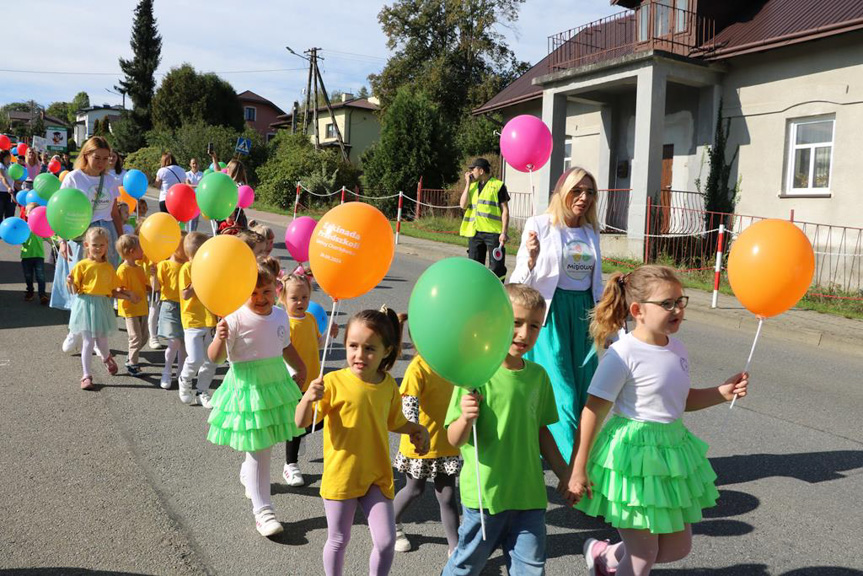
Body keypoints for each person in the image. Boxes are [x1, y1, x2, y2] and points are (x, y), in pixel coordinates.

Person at [563, 265, 749, 576]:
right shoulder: (622, 355)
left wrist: (721, 392)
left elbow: (680, 400)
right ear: (638, 310)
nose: (677, 309)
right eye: (667, 303)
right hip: (632, 457)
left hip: (669, 454)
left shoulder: (677, 348)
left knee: (677, 548)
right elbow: (592, 411)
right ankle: (615, 560)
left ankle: (606, 556)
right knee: (643, 555)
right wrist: (577, 469)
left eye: (680, 300)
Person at [443, 283, 567, 576]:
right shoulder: (474, 373)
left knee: (531, 569)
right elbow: (453, 440)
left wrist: (565, 472)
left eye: (535, 326)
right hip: (486, 497)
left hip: (529, 496)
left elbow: (542, 431)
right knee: (466, 566)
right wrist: (465, 419)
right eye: (516, 323)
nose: (525, 334)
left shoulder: (538, 376)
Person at [295, 307, 430, 576]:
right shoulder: (332, 382)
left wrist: (417, 429)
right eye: (353, 346)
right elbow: (301, 422)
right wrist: (307, 398)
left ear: (387, 351)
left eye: (369, 348)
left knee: (386, 541)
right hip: (341, 476)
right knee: (338, 539)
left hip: (376, 477)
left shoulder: (389, 384)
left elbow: (394, 421)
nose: (359, 354)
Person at [509, 166, 604, 464]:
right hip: (552, 316)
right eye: (577, 190)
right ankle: (573, 469)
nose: (584, 197)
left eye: (589, 192)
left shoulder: (590, 231)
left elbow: (596, 282)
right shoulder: (540, 224)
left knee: (585, 392)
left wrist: (608, 324)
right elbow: (519, 283)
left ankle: (573, 454)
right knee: (562, 393)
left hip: (585, 316)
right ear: (562, 193)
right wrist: (533, 258)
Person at [206, 260, 307, 537]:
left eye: (265, 291)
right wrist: (218, 337)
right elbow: (214, 357)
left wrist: (301, 367)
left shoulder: (279, 315)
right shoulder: (234, 318)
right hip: (248, 389)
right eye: (253, 293)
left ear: (276, 289)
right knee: (261, 450)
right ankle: (263, 511)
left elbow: (285, 345)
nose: (260, 298)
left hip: (273, 385)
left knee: (262, 447)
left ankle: (250, 478)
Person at [392, 352, 462, 555]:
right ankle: (391, 523)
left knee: (447, 495)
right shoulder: (418, 368)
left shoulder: (454, 363)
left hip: (447, 443)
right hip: (420, 443)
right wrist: (415, 433)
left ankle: (455, 548)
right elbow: (409, 405)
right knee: (415, 489)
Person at [51, 136, 124, 319]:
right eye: (96, 157)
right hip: (82, 235)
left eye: (105, 158)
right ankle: (78, 328)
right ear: (86, 155)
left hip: (107, 235)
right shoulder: (74, 178)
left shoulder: (110, 180)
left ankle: (99, 330)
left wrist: (122, 239)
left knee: (104, 280)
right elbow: (60, 211)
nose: (101, 163)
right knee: (82, 282)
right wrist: (62, 241)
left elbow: (115, 213)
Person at [278, 272, 338, 487]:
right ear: (283, 298)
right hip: (294, 382)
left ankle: (301, 435)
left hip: (312, 380)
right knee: (296, 426)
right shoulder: (284, 323)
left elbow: (316, 345)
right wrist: (291, 374)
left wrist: (327, 334)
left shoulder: (311, 319)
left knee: (317, 420)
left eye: (304, 297)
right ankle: (290, 465)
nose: (300, 302)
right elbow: (281, 352)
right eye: (294, 298)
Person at [66, 227, 138, 390]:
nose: (98, 248)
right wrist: (70, 282)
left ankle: (106, 358)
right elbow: (74, 291)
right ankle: (86, 375)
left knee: (102, 340)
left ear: (107, 246)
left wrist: (128, 296)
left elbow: (113, 291)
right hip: (85, 305)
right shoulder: (82, 265)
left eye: (102, 245)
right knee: (88, 342)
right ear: (86, 245)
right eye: (94, 245)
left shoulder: (108, 268)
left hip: (102, 306)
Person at [178, 232, 218, 408]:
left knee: (210, 360)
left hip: (210, 320)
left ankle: (203, 391)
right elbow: (185, 294)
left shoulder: (210, 267)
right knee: (195, 359)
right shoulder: (186, 268)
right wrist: (198, 280)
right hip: (192, 321)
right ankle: (184, 380)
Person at [459, 158, 510, 281]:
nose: (471, 172)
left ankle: (497, 292)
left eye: (473, 169)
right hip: (475, 232)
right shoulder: (472, 186)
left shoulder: (497, 186)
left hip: (493, 233)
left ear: (481, 171)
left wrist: (504, 232)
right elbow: (463, 205)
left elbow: (505, 211)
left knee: (496, 267)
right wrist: (467, 184)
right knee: (475, 267)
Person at [152, 235, 188, 390]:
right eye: (183, 247)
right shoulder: (164, 265)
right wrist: (153, 275)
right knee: (174, 341)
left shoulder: (188, 266)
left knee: (185, 344)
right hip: (169, 305)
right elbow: (157, 287)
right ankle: (167, 370)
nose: (186, 251)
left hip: (186, 307)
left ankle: (181, 373)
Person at [115, 234, 150, 376]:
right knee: (135, 337)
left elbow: (145, 285)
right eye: (140, 248)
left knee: (144, 337)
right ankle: (132, 364)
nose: (143, 251)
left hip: (142, 307)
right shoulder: (122, 270)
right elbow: (118, 289)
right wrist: (130, 294)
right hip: (130, 309)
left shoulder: (140, 268)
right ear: (131, 251)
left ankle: (131, 355)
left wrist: (152, 279)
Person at [20, 203, 49, 305]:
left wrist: (56, 243)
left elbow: (48, 236)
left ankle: (42, 294)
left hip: (39, 256)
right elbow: (18, 239)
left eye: (35, 211)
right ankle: (30, 291)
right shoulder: (23, 228)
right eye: (30, 211)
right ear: (26, 214)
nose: (33, 213)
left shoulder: (41, 227)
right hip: (26, 256)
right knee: (28, 276)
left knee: (40, 276)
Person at [0, 150, 16, 222]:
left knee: (10, 214)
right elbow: (3, 177)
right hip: (1, 192)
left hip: (10, 193)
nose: (9, 157)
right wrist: (8, 187)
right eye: (7, 156)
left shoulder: (12, 165)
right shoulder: (1, 165)